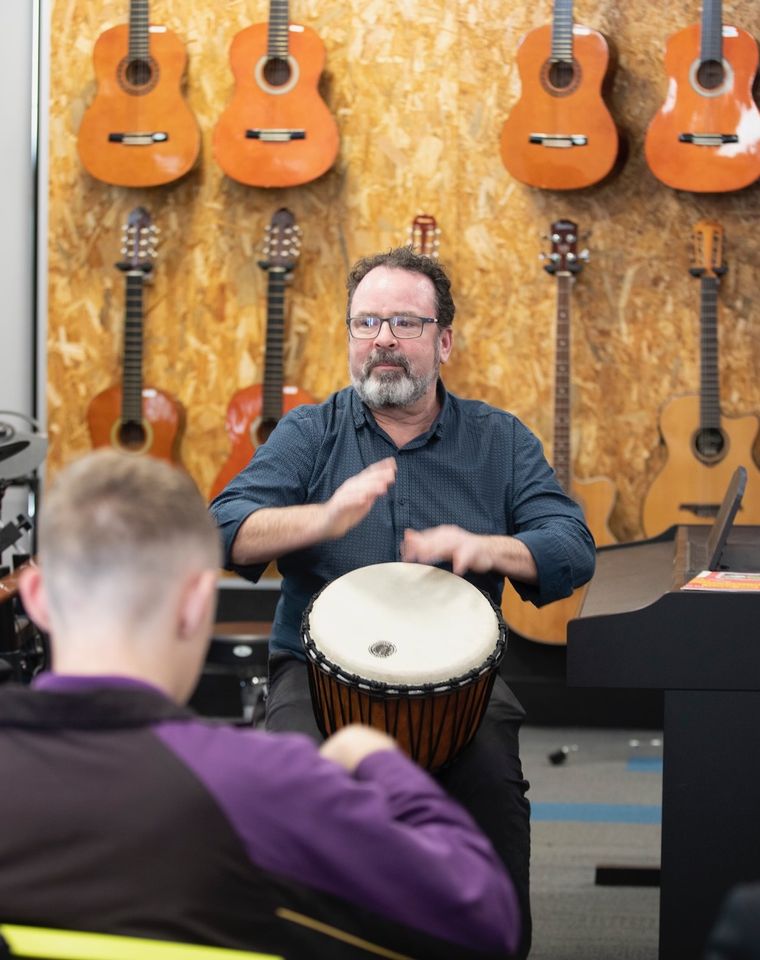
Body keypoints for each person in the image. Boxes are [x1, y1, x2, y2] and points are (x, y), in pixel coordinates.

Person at [211, 246, 597, 958]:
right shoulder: (309, 433)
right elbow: (224, 529)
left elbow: (571, 545)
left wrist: (492, 549)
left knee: (495, 803)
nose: (382, 338)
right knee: (286, 802)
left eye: (405, 323)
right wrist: (319, 520)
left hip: (462, 685)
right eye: (367, 322)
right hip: (316, 675)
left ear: (443, 341)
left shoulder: (499, 440)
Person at [0, 450, 521, 959]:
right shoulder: (263, 785)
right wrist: (375, 759)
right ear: (197, 602)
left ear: (37, 595)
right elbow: (486, 917)